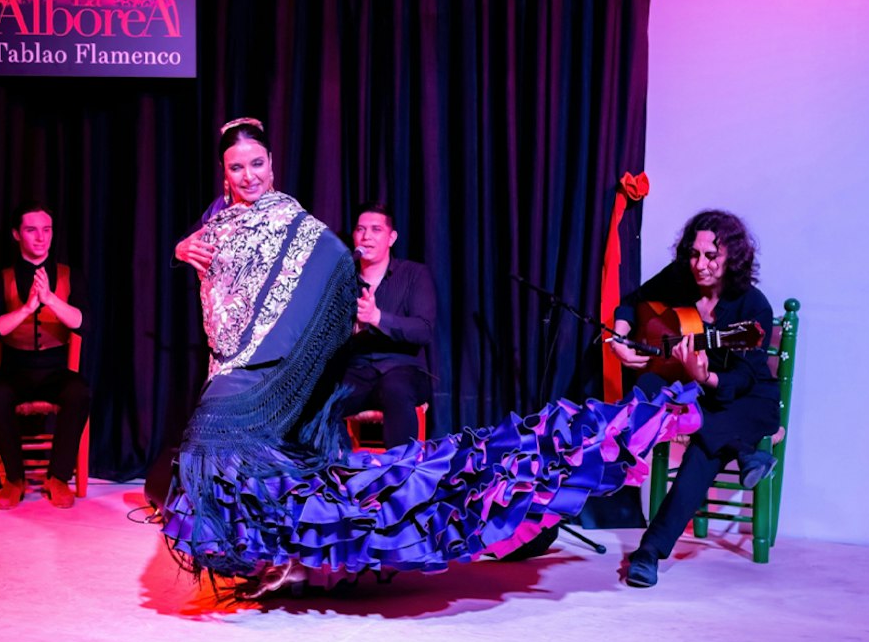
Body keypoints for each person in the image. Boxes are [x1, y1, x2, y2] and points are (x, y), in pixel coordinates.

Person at [159, 119, 701, 595]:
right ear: (224, 172)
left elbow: (413, 328)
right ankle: (281, 557)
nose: (249, 175)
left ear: (272, 164)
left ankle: (397, 511)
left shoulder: (304, 230)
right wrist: (182, 249)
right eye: (237, 167)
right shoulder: (218, 221)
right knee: (245, 467)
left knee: (321, 441)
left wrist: (360, 320)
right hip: (252, 368)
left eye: (257, 163)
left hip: (356, 371)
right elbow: (219, 275)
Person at [610, 210, 780, 588]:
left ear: (732, 257)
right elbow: (632, 301)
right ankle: (746, 453)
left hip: (747, 399)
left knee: (704, 444)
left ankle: (649, 552)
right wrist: (620, 340)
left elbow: (746, 376)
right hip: (699, 395)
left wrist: (707, 375)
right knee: (655, 387)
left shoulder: (753, 308)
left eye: (710, 256)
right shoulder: (680, 280)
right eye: (694, 254)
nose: (699, 265)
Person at [0, 202, 90, 510]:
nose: (41, 238)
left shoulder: (71, 276)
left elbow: (86, 325)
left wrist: (51, 301)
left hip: (55, 370)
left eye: (47, 230)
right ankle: (14, 479)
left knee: (79, 392)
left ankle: (58, 477)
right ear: (17, 235)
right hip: (15, 370)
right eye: (31, 230)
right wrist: (28, 308)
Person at [337, 202, 436, 449]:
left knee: (396, 388)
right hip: (358, 371)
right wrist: (354, 329)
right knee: (320, 399)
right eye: (360, 229)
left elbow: (423, 329)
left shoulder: (414, 274)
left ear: (391, 238)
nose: (366, 236)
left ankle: (400, 475)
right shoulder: (343, 279)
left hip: (404, 369)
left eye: (375, 229)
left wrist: (378, 317)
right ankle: (340, 472)